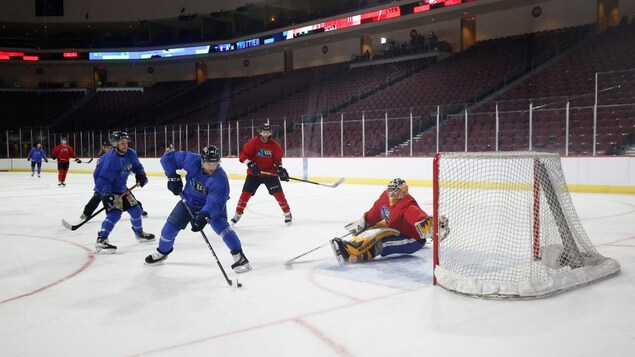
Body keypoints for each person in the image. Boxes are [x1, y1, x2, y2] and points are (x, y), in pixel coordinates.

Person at [145, 145, 252, 274]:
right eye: (208, 163)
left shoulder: (220, 179)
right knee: (169, 228)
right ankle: (162, 252)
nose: (211, 167)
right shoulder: (191, 160)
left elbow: (215, 203)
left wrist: (204, 215)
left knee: (223, 228)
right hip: (188, 202)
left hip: (210, 206)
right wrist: (172, 176)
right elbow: (167, 158)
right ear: (201, 161)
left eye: (215, 163)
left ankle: (239, 256)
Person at [331, 178, 449, 264]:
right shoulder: (384, 197)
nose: (391, 193)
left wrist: (435, 226)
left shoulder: (408, 205)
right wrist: (363, 223)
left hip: (412, 239)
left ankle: (358, 256)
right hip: (396, 228)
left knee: (384, 242)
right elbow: (374, 213)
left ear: (403, 191)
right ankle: (352, 245)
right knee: (372, 230)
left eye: (396, 190)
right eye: (390, 190)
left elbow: (420, 219)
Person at [93, 131, 154, 254]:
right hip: (109, 190)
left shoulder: (130, 153)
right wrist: (106, 195)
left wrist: (141, 174)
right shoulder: (110, 159)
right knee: (115, 213)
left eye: (126, 142)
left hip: (122, 188)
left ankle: (139, 234)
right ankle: (101, 240)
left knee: (136, 210)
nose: (125, 145)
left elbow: (136, 165)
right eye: (122, 143)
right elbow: (101, 178)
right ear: (115, 144)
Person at [231, 123, 292, 226]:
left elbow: (277, 160)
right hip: (254, 174)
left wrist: (281, 170)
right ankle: (238, 214)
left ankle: (287, 213)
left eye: (267, 132)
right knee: (245, 194)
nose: (265, 134)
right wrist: (250, 164)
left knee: (279, 195)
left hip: (270, 174)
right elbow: (243, 156)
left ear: (270, 133)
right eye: (264, 131)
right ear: (260, 132)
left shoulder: (274, 145)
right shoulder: (254, 142)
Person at [79, 140, 148, 220]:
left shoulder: (121, 155)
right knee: (96, 197)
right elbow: (100, 176)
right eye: (107, 148)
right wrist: (105, 190)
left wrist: (139, 175)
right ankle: (86, 213)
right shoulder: (104, 159)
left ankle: (139, 210)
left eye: (110, 147)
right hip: (105, 186)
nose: (109, 149)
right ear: (104, 149)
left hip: (118, 185)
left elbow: (131, 165)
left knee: (129, 197)